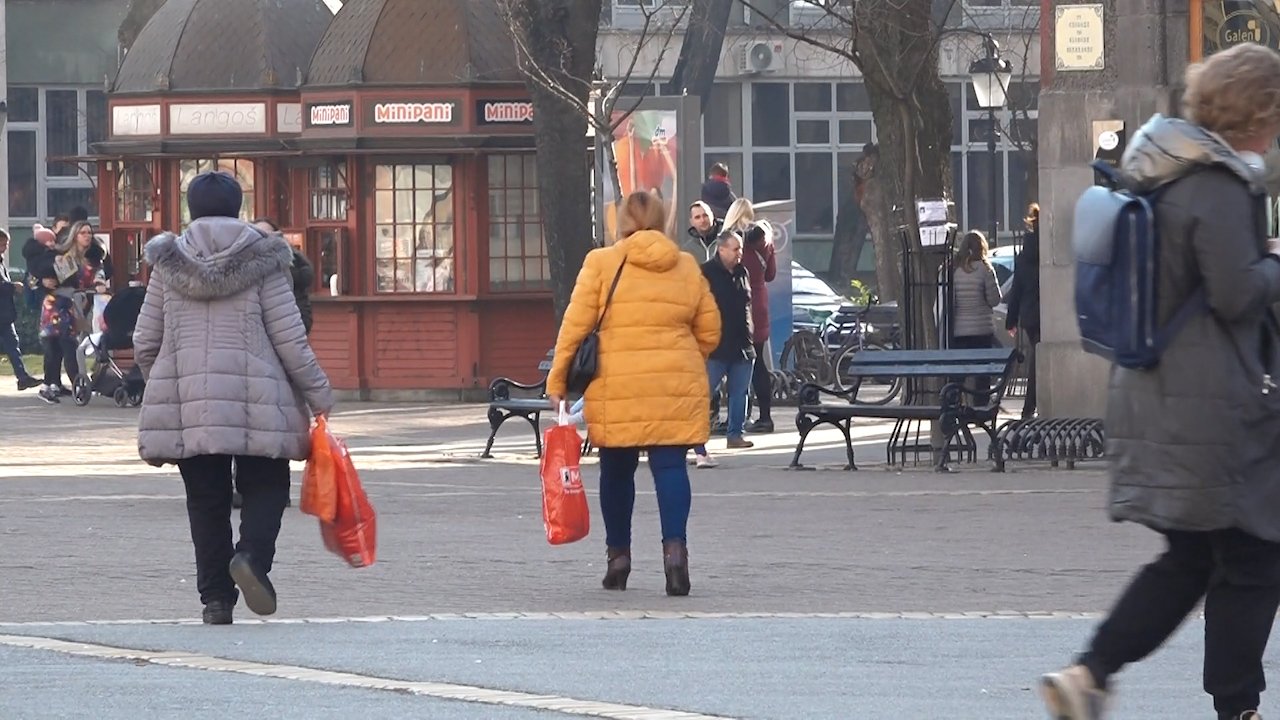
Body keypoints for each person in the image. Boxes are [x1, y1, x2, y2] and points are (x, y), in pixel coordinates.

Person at [1040, 42, 1280, 720]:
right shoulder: (1221, 184)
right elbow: (1235, 294)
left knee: (1192, 558)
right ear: (1257, 113)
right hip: (1215, 408)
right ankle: (1237, 709)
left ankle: (1090, 672)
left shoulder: (1161, 167)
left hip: (1158, 394)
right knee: (1256, 558)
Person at [133, 171, 334, 625]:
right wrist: (318, 394)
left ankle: (216, 601)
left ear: (191, 209)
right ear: (238, 208)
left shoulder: (168, 264)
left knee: (205, 499)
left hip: (189, 402)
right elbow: (290, 338)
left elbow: (146, 340)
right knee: (267, 485)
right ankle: (252, 560)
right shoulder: (265, 261)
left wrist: (167, 380)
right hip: (261, 400)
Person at [546, 191, 719, 597]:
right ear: (663, 220)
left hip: (617, 384)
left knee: (617, 472)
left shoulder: (602, 263)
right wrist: (681, 355)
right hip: (673, 386)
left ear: (621, 221)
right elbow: (710, 331)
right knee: (671, 469)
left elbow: (574, 327)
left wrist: (558, 383)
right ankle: (675, 558)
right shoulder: (685, 265)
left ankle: (618, 559)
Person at [702, 230, 756, 450]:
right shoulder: (706, 272)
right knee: (703, 393)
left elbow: (747, 304)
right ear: (721, 249)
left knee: (740, 392)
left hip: (743, 343)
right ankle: (692, 437)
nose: (739, 253)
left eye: (741, 248)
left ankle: (735, 434)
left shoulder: (742, 271)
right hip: (716, 344)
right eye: (735, 249)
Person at [24, 224, 77, 404]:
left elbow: (31, 280)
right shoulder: (44, 258)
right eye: (51, 240)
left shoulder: (35, 260)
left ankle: (53, 383)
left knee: (54, 346)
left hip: (51, 305)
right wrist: (42, 281)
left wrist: (39, 281)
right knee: (57, 345)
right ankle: (50, 384)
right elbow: (32, 280)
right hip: (54, 306)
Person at [949, 230, 1001, 404]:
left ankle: (954, 405)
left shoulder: (953, 270)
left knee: (958, 374)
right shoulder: (985, 269)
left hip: (959, 330)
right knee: (982, 374)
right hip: (982, 330)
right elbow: (995, 300)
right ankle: (980, 408)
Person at [1005, 203, 1041, 419]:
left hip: (1029, 314)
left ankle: (1030, 407)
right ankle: (1029, 407)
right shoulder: (1049, 251)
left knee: (1037, 358)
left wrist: (1011, 320)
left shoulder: (1025, 255)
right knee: (1037, 362)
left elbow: (1016, 289)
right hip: (1046, 312)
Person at [741, 220, 777, 433]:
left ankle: (751, 415)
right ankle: (765, 415)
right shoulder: (767, 245)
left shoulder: (743, 247)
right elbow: (770, 275)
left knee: (748, 363)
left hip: (746, 301)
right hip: (761, 300)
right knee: (759, 360)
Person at [253, 218, 314, 335]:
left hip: (287, 335)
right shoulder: (245, 272)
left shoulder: (293, 269)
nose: (264, 240)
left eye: (269, 235)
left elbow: (303, 316)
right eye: (258, 235)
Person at [0, 230, 40, 390]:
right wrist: (13, 287)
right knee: (11, 343)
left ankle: (22, 377)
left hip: (4, 313)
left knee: (12, 343)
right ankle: (22, 376)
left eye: (6, 244)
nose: (5, 248)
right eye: (2, 244)